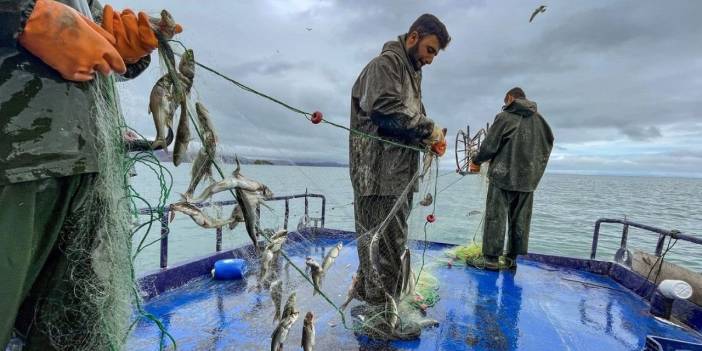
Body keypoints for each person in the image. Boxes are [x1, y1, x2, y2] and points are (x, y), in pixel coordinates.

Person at [0, 1, 181, 349]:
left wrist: (121, 47)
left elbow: (82, 22)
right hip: (13, 162)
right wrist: (22, 14)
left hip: (94, 170)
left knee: (79, 335)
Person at [348, 13, 450, 338]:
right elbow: (385, 107)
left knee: (390, 243)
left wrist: (427, 140)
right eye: (430, 50)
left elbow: (405, 122)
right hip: (377, 176)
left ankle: (376, 304)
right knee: (381, 247)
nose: (431, 59)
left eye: (435, 53)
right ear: (413, 37)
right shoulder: (386, 65)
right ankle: (380, 320)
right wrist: (429, 129)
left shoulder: (410, 75)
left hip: (398, 176)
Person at [470, 87, 554, 270]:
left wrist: (476, 161)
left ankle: (491, 259)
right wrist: (534, 172)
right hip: (529, 180)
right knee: (521, 219)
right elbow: (547, 146)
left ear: (509, 98)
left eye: (505, 103)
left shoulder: (505, 117)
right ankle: (511, 259)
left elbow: (490, 145)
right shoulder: (541, 121)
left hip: (503, 176)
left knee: (496, 217)